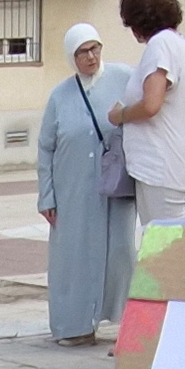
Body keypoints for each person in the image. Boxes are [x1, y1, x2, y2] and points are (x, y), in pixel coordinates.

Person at [35, 22, 129, 349]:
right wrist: (46, 195)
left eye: (95, 49)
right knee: (71, 257)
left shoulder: (124, 79)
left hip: (114, 189)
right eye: (82, 52)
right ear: (70, 57)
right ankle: (73, 325)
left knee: (119, 252)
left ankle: (124, 321)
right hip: (72, 191)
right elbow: (46, 147)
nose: (90, 57)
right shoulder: (60, 96)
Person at [107, 0, 185, 237]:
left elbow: (151, 104)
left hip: (160, 167)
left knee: (162, 247)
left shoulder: (159, 46)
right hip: (177, 162)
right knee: (170, 243)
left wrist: (120, 115)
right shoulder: (179, 43)